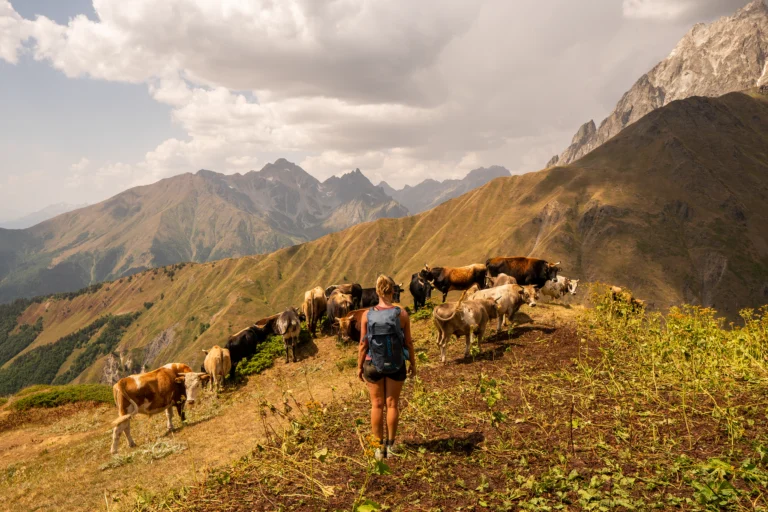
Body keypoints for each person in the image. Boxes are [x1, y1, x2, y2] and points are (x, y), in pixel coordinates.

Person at [357, 275, 416, 460]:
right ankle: (391, 447)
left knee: (377, 405)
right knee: (392, 404)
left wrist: (359, 367)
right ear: (392, 291)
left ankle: (378, 449)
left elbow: (362, 345)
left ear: (376, 291)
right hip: (396, 364)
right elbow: (408, 343)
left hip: (372, 364)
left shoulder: (367, 315)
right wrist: (413, 363)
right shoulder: (402, 314)